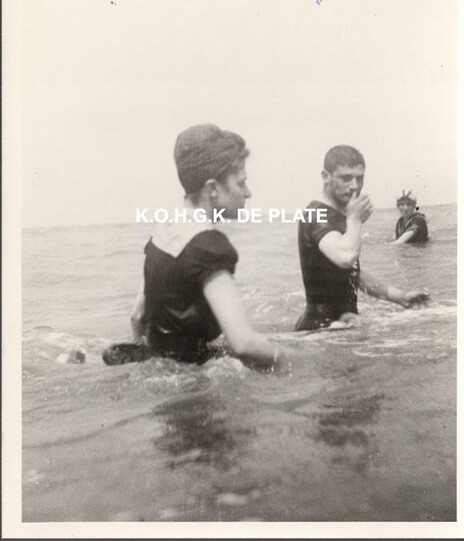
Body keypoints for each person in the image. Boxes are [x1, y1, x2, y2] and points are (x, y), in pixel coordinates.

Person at [104, 124, 282, 370]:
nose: (248, 193)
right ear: (212, 189)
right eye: (241, 183)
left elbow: (137, 317)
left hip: (161, 368)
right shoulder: (209, 246)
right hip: (195, 379)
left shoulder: (162, 232)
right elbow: (243, 342)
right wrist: (288, 357)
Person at [295, 145, 429, 331]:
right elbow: (345, 258)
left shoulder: (338, 213)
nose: (355, 186)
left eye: (360, 178)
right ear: (325, 176)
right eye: (346, 178)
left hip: (336, 329)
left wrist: (400, 297)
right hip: (320, 332)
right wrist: (355, 219)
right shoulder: (316, 214)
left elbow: (351, 273)